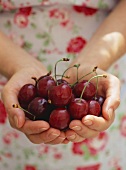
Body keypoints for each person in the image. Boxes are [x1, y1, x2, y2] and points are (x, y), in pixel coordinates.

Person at [0, 0, 125, 169]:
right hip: (8, 66)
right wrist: (16, 65)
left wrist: (96, 60)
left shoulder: (92, 85)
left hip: (101, 64)